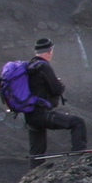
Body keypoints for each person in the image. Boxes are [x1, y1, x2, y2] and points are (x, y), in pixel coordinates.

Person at [25, 38, 87, 167]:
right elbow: (57, 89)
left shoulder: (29, 66)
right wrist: (59, 82)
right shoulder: (44, 67)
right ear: (49, 52)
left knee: (37, 151)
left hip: (30, 115)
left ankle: (34, 174)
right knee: (77, 122)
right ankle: (77, 159)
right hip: (42, 113)